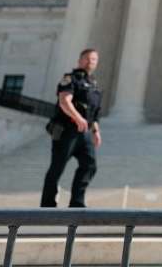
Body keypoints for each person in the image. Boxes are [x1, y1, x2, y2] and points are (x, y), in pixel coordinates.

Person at [41, 48, 103, 207]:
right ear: (80, 60)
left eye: (94, 59)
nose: (91, 62)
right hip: (66, 131)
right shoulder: (70, 79)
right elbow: (64, 101)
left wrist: (96, 131)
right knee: (57, 167)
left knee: (90, 165)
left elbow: (92, 113)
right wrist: (77, 117)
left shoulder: (94, 84)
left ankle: (77, 202)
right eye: (88, 59)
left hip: (84, 133)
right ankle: (47, 204)